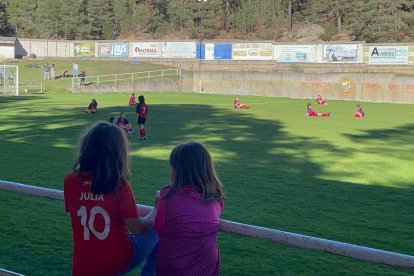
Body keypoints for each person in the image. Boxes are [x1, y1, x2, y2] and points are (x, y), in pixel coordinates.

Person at [64, 122, 159, 276]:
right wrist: (157, 210)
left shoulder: (70, 181)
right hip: (115, 261)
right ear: (118, 152)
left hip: (82, 264)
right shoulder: (119, 185)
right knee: (161, 226)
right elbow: (139, 228)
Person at [155, 141, 225, 276]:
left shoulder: (167, 195)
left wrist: (156, 208)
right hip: (208, 268)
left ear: (177, 170)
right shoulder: (216, 198)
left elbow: (159, 229)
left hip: (173, 268)